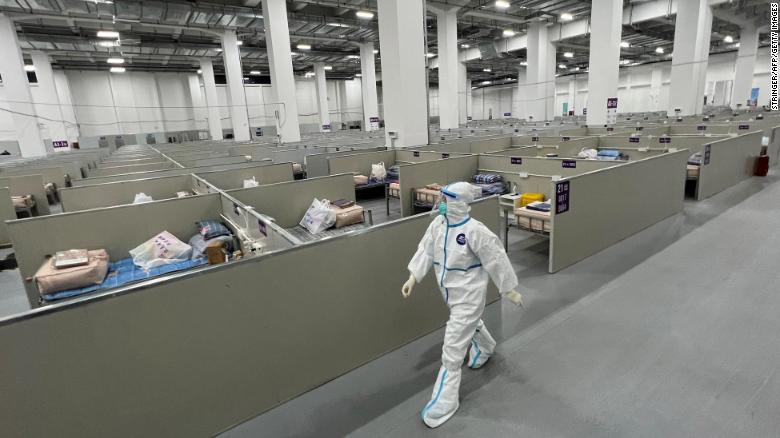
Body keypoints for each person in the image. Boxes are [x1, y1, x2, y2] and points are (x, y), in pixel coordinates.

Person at [401, 181, 524, 428]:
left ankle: (445, 401)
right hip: (450, 295)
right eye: (442, 198)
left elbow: (496, 259)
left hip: (468, 298)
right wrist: (413, 277)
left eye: (448, 199)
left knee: (452, 349)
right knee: (468, 326)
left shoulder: (474, 231)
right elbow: (425, 251)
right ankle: (486, 346)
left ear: (461, 202)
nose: (442, 203)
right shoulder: (437, 224)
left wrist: (509, 289)